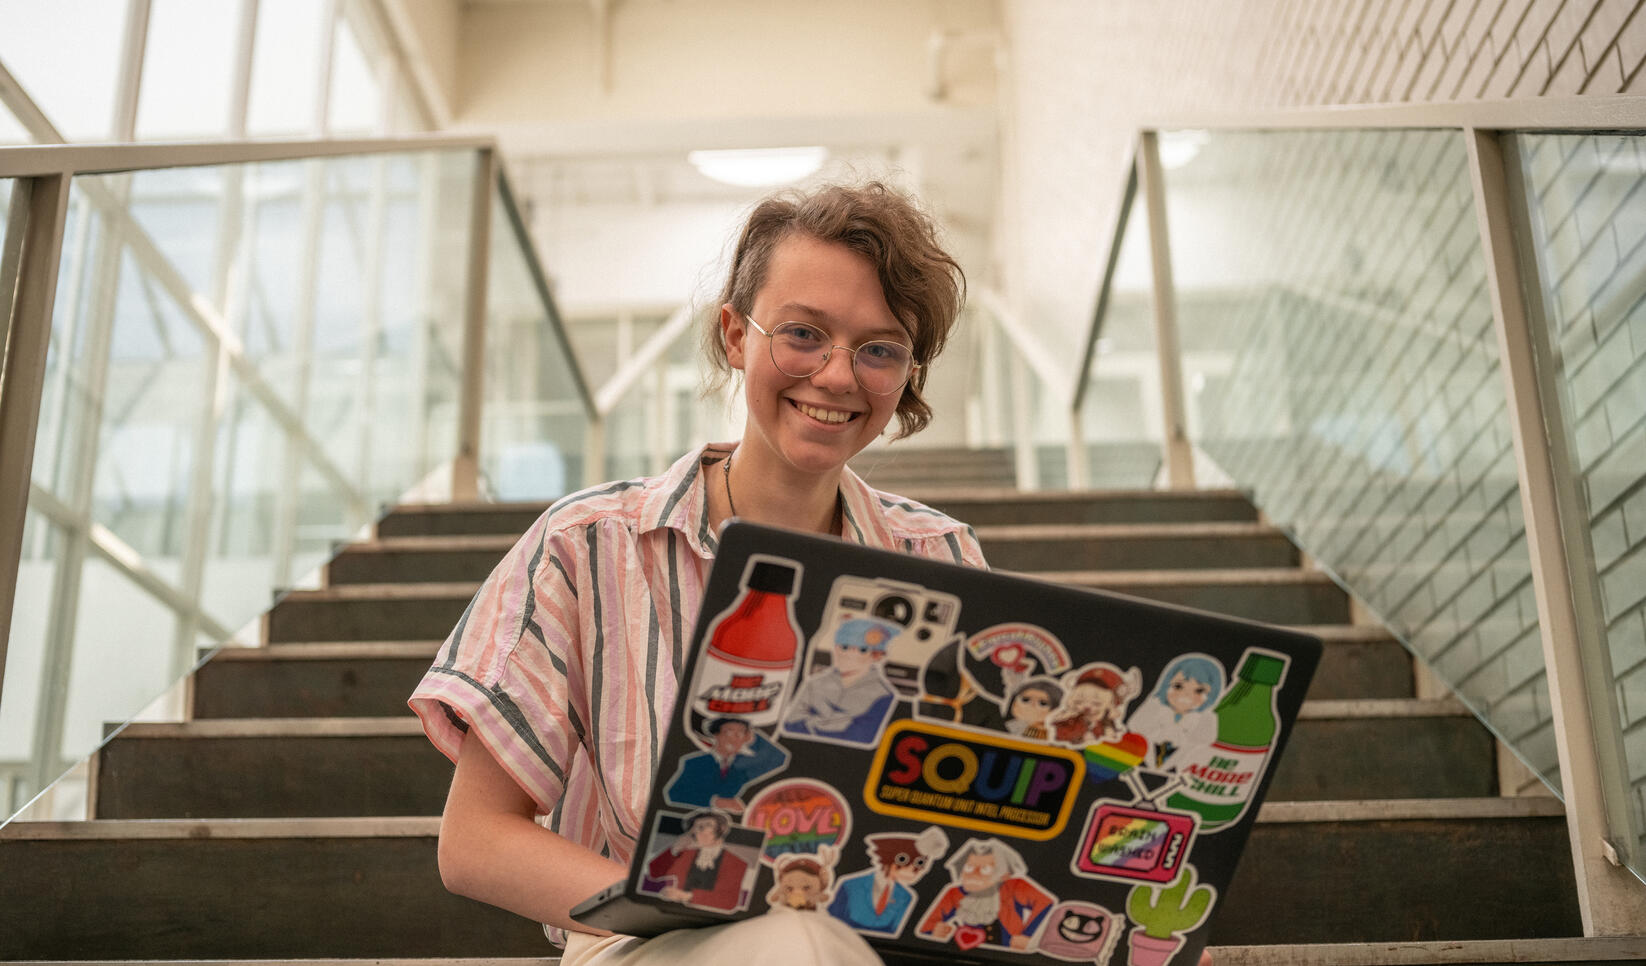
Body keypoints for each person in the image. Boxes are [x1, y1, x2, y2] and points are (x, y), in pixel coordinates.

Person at [410, 181, 983, 966]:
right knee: (796, 947)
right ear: (734, 336)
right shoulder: (586, 547)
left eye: (879, 349)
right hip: (647, 945)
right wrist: (698, 911)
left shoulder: (942, 558)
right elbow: (474, 843)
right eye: (803, 334)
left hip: (886, 942)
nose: (839, 376)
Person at [782, 616, 901, 745]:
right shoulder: (814, 683)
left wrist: (812, 724)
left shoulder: (884, 695)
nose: (849, 654)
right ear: (836, 648)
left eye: (862, 650)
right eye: (844, 647)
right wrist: (839, 724)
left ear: (877, 656)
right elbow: (791, 723)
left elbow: (861, 736)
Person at [661, 716, 787, 813]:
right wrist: (716, 802)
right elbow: (674, 794)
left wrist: (755, 739)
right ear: (716, 735)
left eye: (740, 734)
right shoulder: (695, 762)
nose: (734, 738)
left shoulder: (742, 766)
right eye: (729, 732)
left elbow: (779, 759)